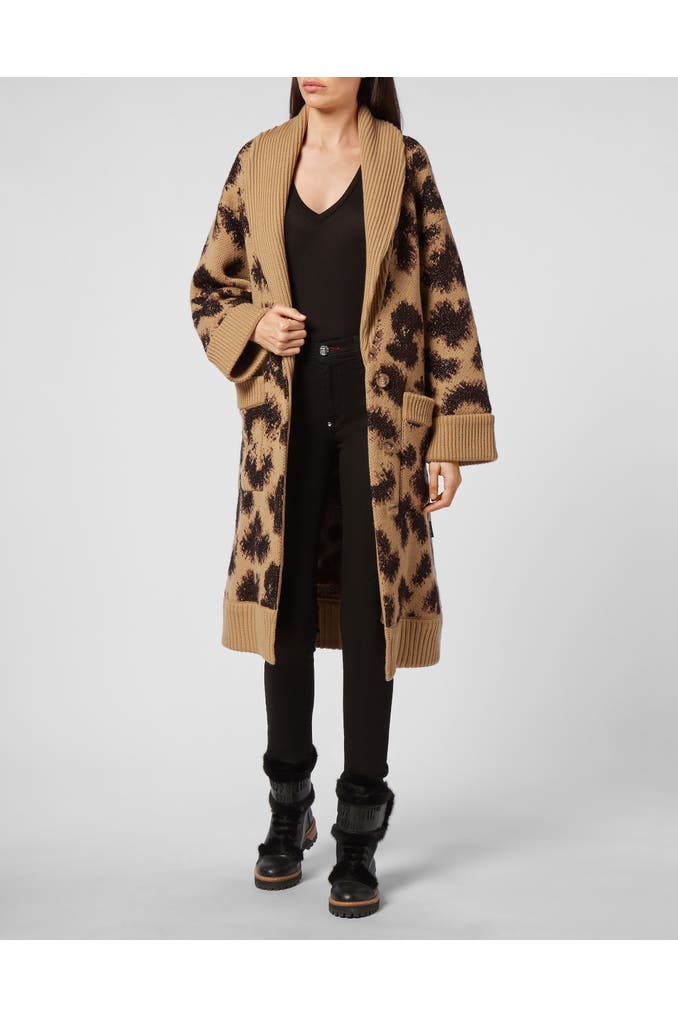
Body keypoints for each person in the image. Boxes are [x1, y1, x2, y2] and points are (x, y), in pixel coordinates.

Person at [189, 77, 498, 919]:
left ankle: (360, 823)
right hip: (283, 416)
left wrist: (451, 434)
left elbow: (445, 296)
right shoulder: (258, 161)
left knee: (372, 615)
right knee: (283, 607)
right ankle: (288, 807)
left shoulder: (404, 161)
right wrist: (253, 324)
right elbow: (209, 288)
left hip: (382, 417)